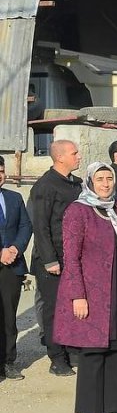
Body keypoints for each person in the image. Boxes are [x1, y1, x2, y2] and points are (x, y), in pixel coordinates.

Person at [52, 162, 117, 413]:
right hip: (93, 291)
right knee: (93, 351)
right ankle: (92, 408)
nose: (105, 184)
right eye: (99, 179)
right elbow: (72, 257)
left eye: (108, 179)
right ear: (90, 182)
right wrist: (78, 295)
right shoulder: (78, 211)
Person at [28, 138, 82, 376]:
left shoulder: (76, 184)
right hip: (52, 261)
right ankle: (57, 357)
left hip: (74, 258)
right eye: (74, 152)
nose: (78, 156)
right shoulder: (45, 186)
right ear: (60, 157)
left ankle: (72, 349)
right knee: (54, 309)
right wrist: (50, 261)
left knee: (73, 307)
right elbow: (40, 227)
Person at [0, 155, 32, 380]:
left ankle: (8, 362)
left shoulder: (14, 198)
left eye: (1, 171)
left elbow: (25, 225)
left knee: (9, 316)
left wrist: (15, 249)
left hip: (11, 266)